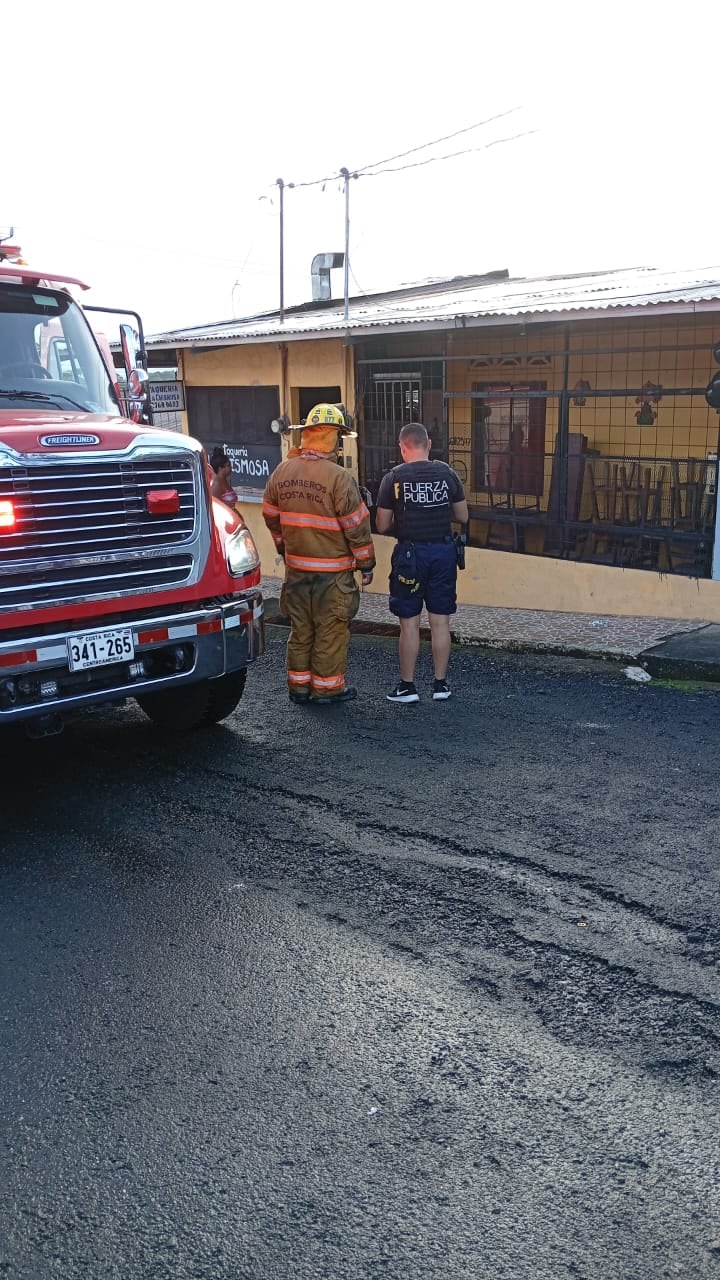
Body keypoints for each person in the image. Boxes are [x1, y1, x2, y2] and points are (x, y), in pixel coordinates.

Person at [262, 403, 375, 705]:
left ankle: (299, 688)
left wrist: (284, 548)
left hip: (297, 570)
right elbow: (356, 526)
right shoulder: (339, 478)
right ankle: (327, 689)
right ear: (332, 438)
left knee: (301, 629)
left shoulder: (282, 471)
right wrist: (366, 564)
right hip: (332, 575)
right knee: (330, 631)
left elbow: (270, 516)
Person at [375, 422, 468, 703]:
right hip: (443, 552)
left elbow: (381, 524)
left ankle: (408, 687)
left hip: (410, 556)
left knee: (410, 624)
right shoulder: (448, 474)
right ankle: (441, 685)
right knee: (441, 622)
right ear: (428, 445)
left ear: (403, 447)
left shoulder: (393, 478)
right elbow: (462, 516)